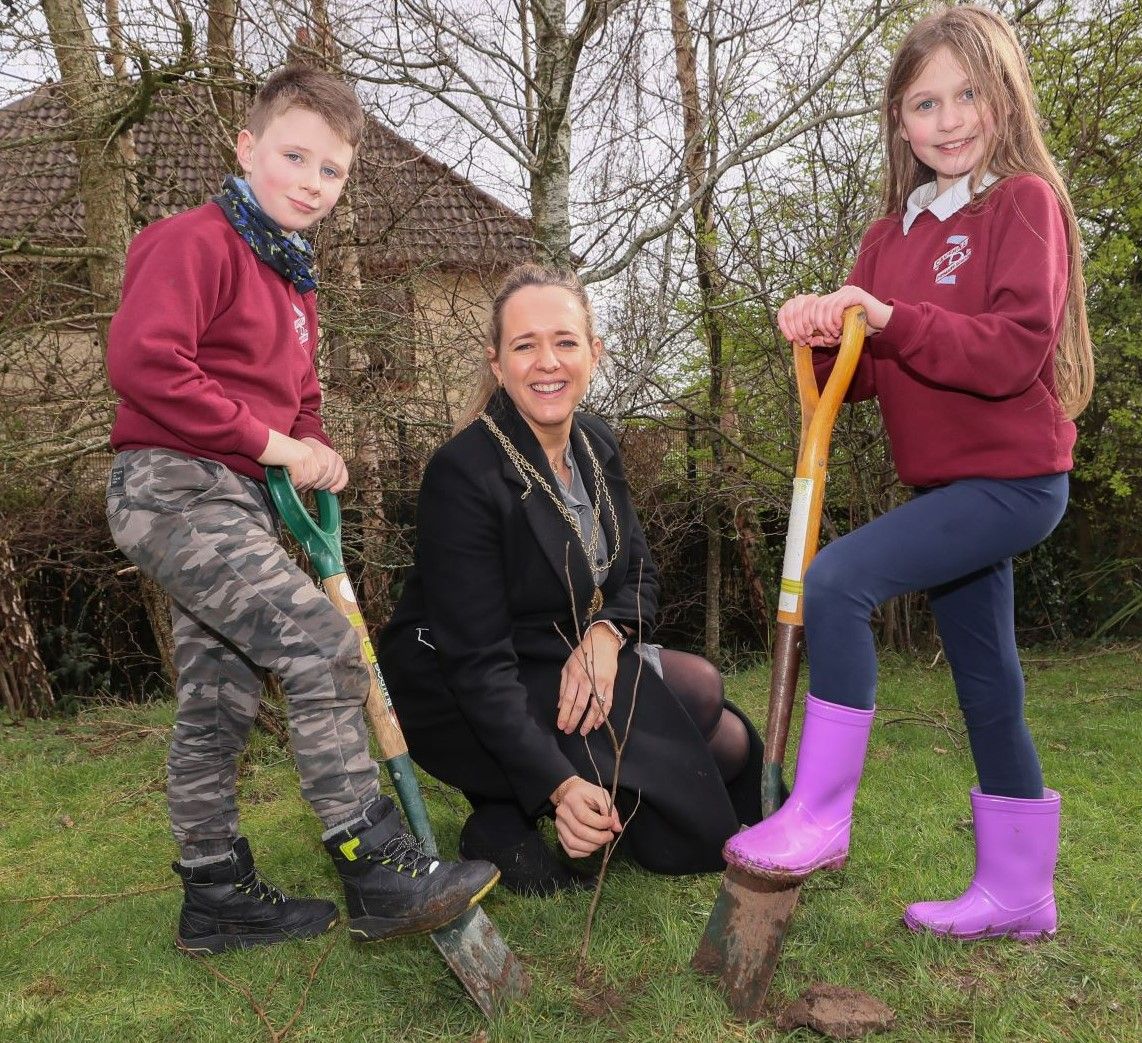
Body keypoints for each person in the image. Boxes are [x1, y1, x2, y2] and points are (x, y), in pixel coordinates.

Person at [104, 65, 498, 955]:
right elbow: (145, 365)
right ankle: (375, 864)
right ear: (246, 149)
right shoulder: (191, 241)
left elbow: (299, 398)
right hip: (170, 488)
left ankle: (215, 894)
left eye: (332, 171)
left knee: (220, 696)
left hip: (235, 499)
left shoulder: (293, 278)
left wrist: (316, 453)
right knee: (322, 643)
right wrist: (277, 445)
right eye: (294, 156)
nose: (311, 182)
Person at [724, 5, 1094, 942]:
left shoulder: (1020, 204)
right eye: (925, 102)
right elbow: (856, 384)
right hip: (947, 489)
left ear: (1003, 98)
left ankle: (821, 812)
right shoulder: (890, 237)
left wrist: (888, 318)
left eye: (967, 94)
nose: (950, 118)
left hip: (1012, 482)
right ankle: (1017, 890)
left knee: (837, 580)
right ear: (898, 120)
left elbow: (1012, 351)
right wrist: (821, 333)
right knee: (987, 679)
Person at [376, 263, 764, 895]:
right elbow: (474, 664)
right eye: (524, 346)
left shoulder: (597, 443)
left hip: (553, 653)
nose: (546, 362)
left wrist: (608, 636)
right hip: (456, 688)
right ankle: (526, 801)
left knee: (714, 717)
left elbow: (638, 571)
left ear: (594, 352)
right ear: (498, 365)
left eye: (564, 341)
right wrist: (559, 784)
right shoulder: (464, 474)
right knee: (694, 695)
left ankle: (503, 822)